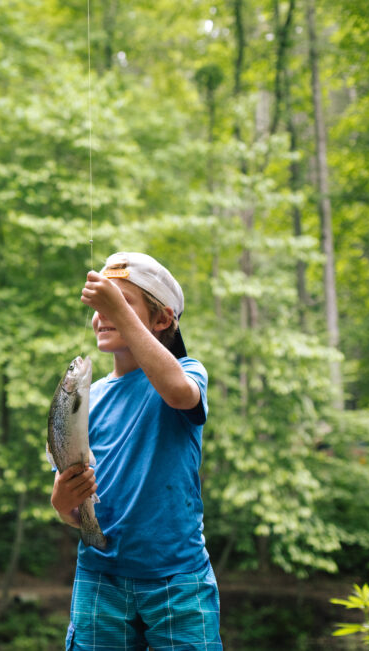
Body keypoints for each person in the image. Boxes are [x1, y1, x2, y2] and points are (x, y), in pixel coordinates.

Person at [50, 252, 222, 650]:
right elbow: (73, 499)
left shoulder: (187, 372)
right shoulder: (86, 398)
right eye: (104, 304)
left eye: (123, 302)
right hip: (99, 578)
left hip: (179, 579)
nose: (103, 313)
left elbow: (180, 393)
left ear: (162, 320)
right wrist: (61, 505)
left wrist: (115, 309)